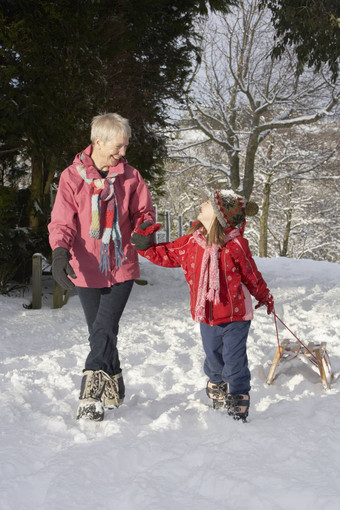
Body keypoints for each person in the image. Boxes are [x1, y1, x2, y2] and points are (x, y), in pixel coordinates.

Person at [131, 190, 274, 422]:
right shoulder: (191, 242)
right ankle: (216, 383)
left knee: (234, 359)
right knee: (214, 357)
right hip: (207, 315)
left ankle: (238, 394)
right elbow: (167, 253)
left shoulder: (236, 245)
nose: (202, 204)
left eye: (208, 203)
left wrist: (264, 295)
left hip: (236, 315)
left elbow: (251, 274)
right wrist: (144, 244)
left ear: (219, 215)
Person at [49, 113, 156, 421]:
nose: (123, 153)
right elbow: (61, 221)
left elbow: (144, 213)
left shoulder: (130, 177)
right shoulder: (71, 177)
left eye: (125, 147)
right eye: (118, 146)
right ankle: (115, 380)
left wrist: (144, 231)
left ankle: (90, 393)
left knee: (104, 328)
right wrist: (59, 253)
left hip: (120, 265)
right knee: (100, 331)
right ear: (99, 142)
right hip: (86, 267)